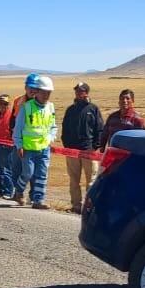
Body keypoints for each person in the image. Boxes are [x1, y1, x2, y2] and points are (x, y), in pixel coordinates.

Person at [11, 75, 57, 209]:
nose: (46, 95)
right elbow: (18, 128)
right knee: (27, 173)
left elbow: (53, 127)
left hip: (44, 148)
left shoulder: (50, 107)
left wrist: (50, 138)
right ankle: (18, 191)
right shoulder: (26, 107)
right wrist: (19, 145)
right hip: (28, 148)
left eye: (49, 92)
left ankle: (38, 200)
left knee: (42, 175)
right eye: (44, 92)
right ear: (37, 92)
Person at [61, 82, 103, 214]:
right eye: (77, 91)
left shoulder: (93, 109)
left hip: (88, 150)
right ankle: (76, 205)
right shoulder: (70, 110)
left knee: (91, 180)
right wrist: (67, 145)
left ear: (86, 92)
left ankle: (90, 206)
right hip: (72, 150)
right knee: (74, 180)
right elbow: (65, 128)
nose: (79, 93)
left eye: (81, 91)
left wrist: (95, 146)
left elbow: (99, 128)